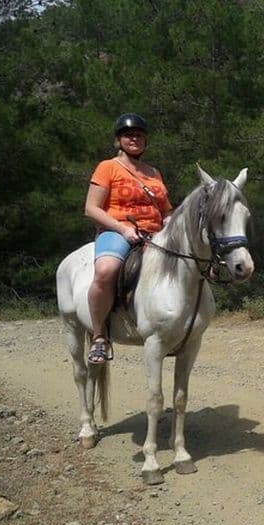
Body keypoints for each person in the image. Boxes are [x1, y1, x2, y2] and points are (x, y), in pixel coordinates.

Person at [84, 113, 173, 363]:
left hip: (156, 234)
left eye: (139, 135)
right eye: (128, 135)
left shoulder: (153, 173)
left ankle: (176, 330)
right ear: (118, 140)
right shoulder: (108, 167)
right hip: (117, 231)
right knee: (106, 270)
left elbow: (166, 210)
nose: (134, 139)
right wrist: (122, 229)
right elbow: (91, 208)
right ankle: (99, 337)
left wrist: (170, 222)